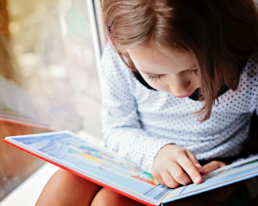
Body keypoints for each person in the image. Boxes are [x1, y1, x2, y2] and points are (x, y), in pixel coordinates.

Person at [36, 0, 258, 205]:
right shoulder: (121, 55)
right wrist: (155, 153)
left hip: (207, 177)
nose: (178, 88)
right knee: (68, 180)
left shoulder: (250, 66)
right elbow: (117, 128)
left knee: (109, 202)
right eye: (155, 76)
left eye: (194, 69)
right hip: (142, 159)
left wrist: (233, 175)